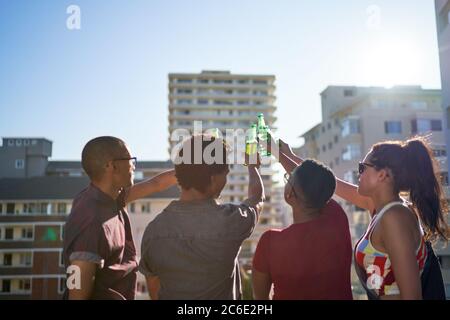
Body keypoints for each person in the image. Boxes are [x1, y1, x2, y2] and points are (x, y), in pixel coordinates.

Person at [276, 136, 449, 300]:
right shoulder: (381, 208)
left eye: (362, 168)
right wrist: (283, 155)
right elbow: (324, 184)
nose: (358, 173)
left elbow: (412, 297)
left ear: (382, 175)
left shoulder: (395, 218)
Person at [138, 134, 264, 299]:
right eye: (225, 174)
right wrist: (252, 166)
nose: (225, 179)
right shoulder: (232, 221)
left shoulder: (153, 231)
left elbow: (155, 292)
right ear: (213, 179)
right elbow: (257, 199)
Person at [63, 136, 177, 300]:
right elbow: (77, 296)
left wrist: (190, 169)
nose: (133, 166)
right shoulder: (90, 221)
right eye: (130, 160)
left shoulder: (110, 197)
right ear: (111, 165)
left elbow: (156, 184)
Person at [252, 149, 353, 299]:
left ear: (289, 194)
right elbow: (317, 186)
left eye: (288, 178)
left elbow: (260, 299)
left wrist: (253, 166)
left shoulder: (270, 242)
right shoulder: (337, 222)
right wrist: (277, 152)